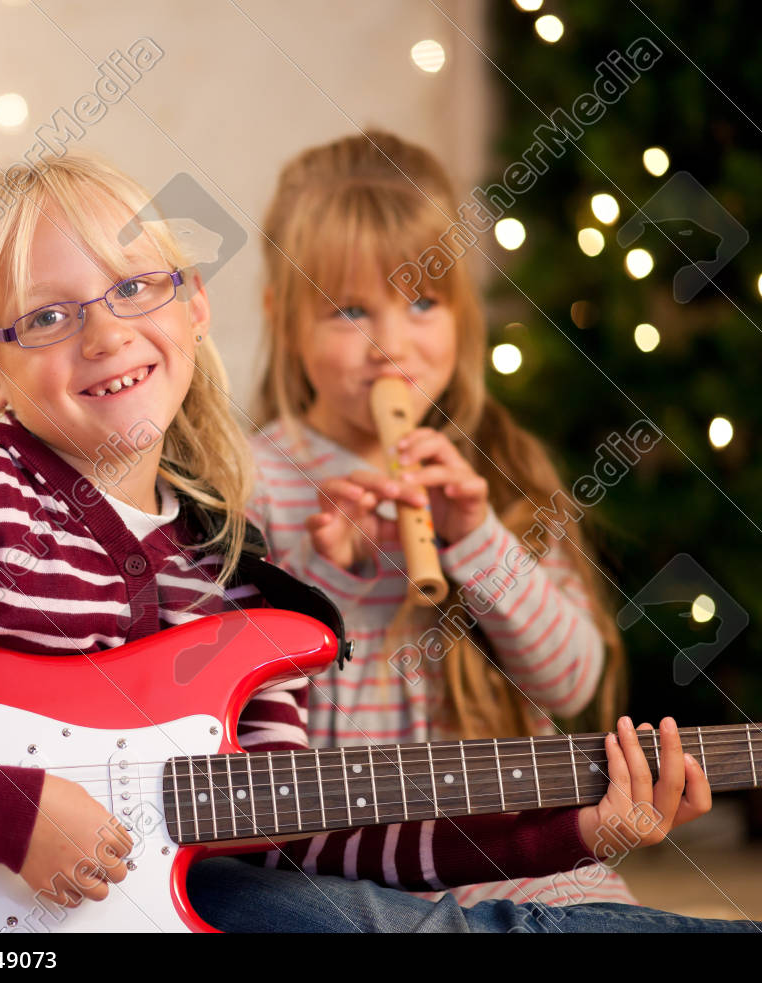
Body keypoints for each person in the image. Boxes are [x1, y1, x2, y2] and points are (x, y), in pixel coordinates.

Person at [0, 153, 744, 932]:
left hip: (170, 905)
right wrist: (5, 811)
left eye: (134, 287)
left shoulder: (229, 573)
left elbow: (304, 837)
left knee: (399, 918)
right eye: (45, 318)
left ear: (190, 306)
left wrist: (567, 831)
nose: (104, 333)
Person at [246, 129, 638, 909]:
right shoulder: (253, 483)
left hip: (511, 846)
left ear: (461, 312)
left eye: (422, 302)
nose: (390, 346)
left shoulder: (500, 464)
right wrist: (332, 579)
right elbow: (275, 779)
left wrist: (476, 537)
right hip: (350, 871)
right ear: (283, 318)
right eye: (350, 310)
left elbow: (572, 682)